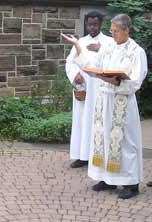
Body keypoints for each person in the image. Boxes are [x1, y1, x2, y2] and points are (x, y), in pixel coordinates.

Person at [62, 14, 148, 199]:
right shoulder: (108, 48)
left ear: (126, 30)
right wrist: (77, 45)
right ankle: (107, 179)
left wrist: (116, 81)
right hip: (105, 101)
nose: (113, 34)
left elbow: (136, 80)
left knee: (125, 142)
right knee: (104, 139)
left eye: (116, 31)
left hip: (122, 103)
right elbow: (93, 64)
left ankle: (130, 182)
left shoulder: (136, 51)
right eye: (112, 30)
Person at [65, 11, 114, 168]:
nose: (92, 27)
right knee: (81, 122)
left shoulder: (109, 42)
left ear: (100, 24)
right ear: (85, 24)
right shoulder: (80, 42)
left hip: (101, 89)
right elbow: (70, 63)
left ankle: (97, 156)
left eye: (95, 24)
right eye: (89, 24)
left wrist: (100, 49)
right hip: (83, 89)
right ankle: (82, 155)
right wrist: (75, 75)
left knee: (98, 122)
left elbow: (112, 62)